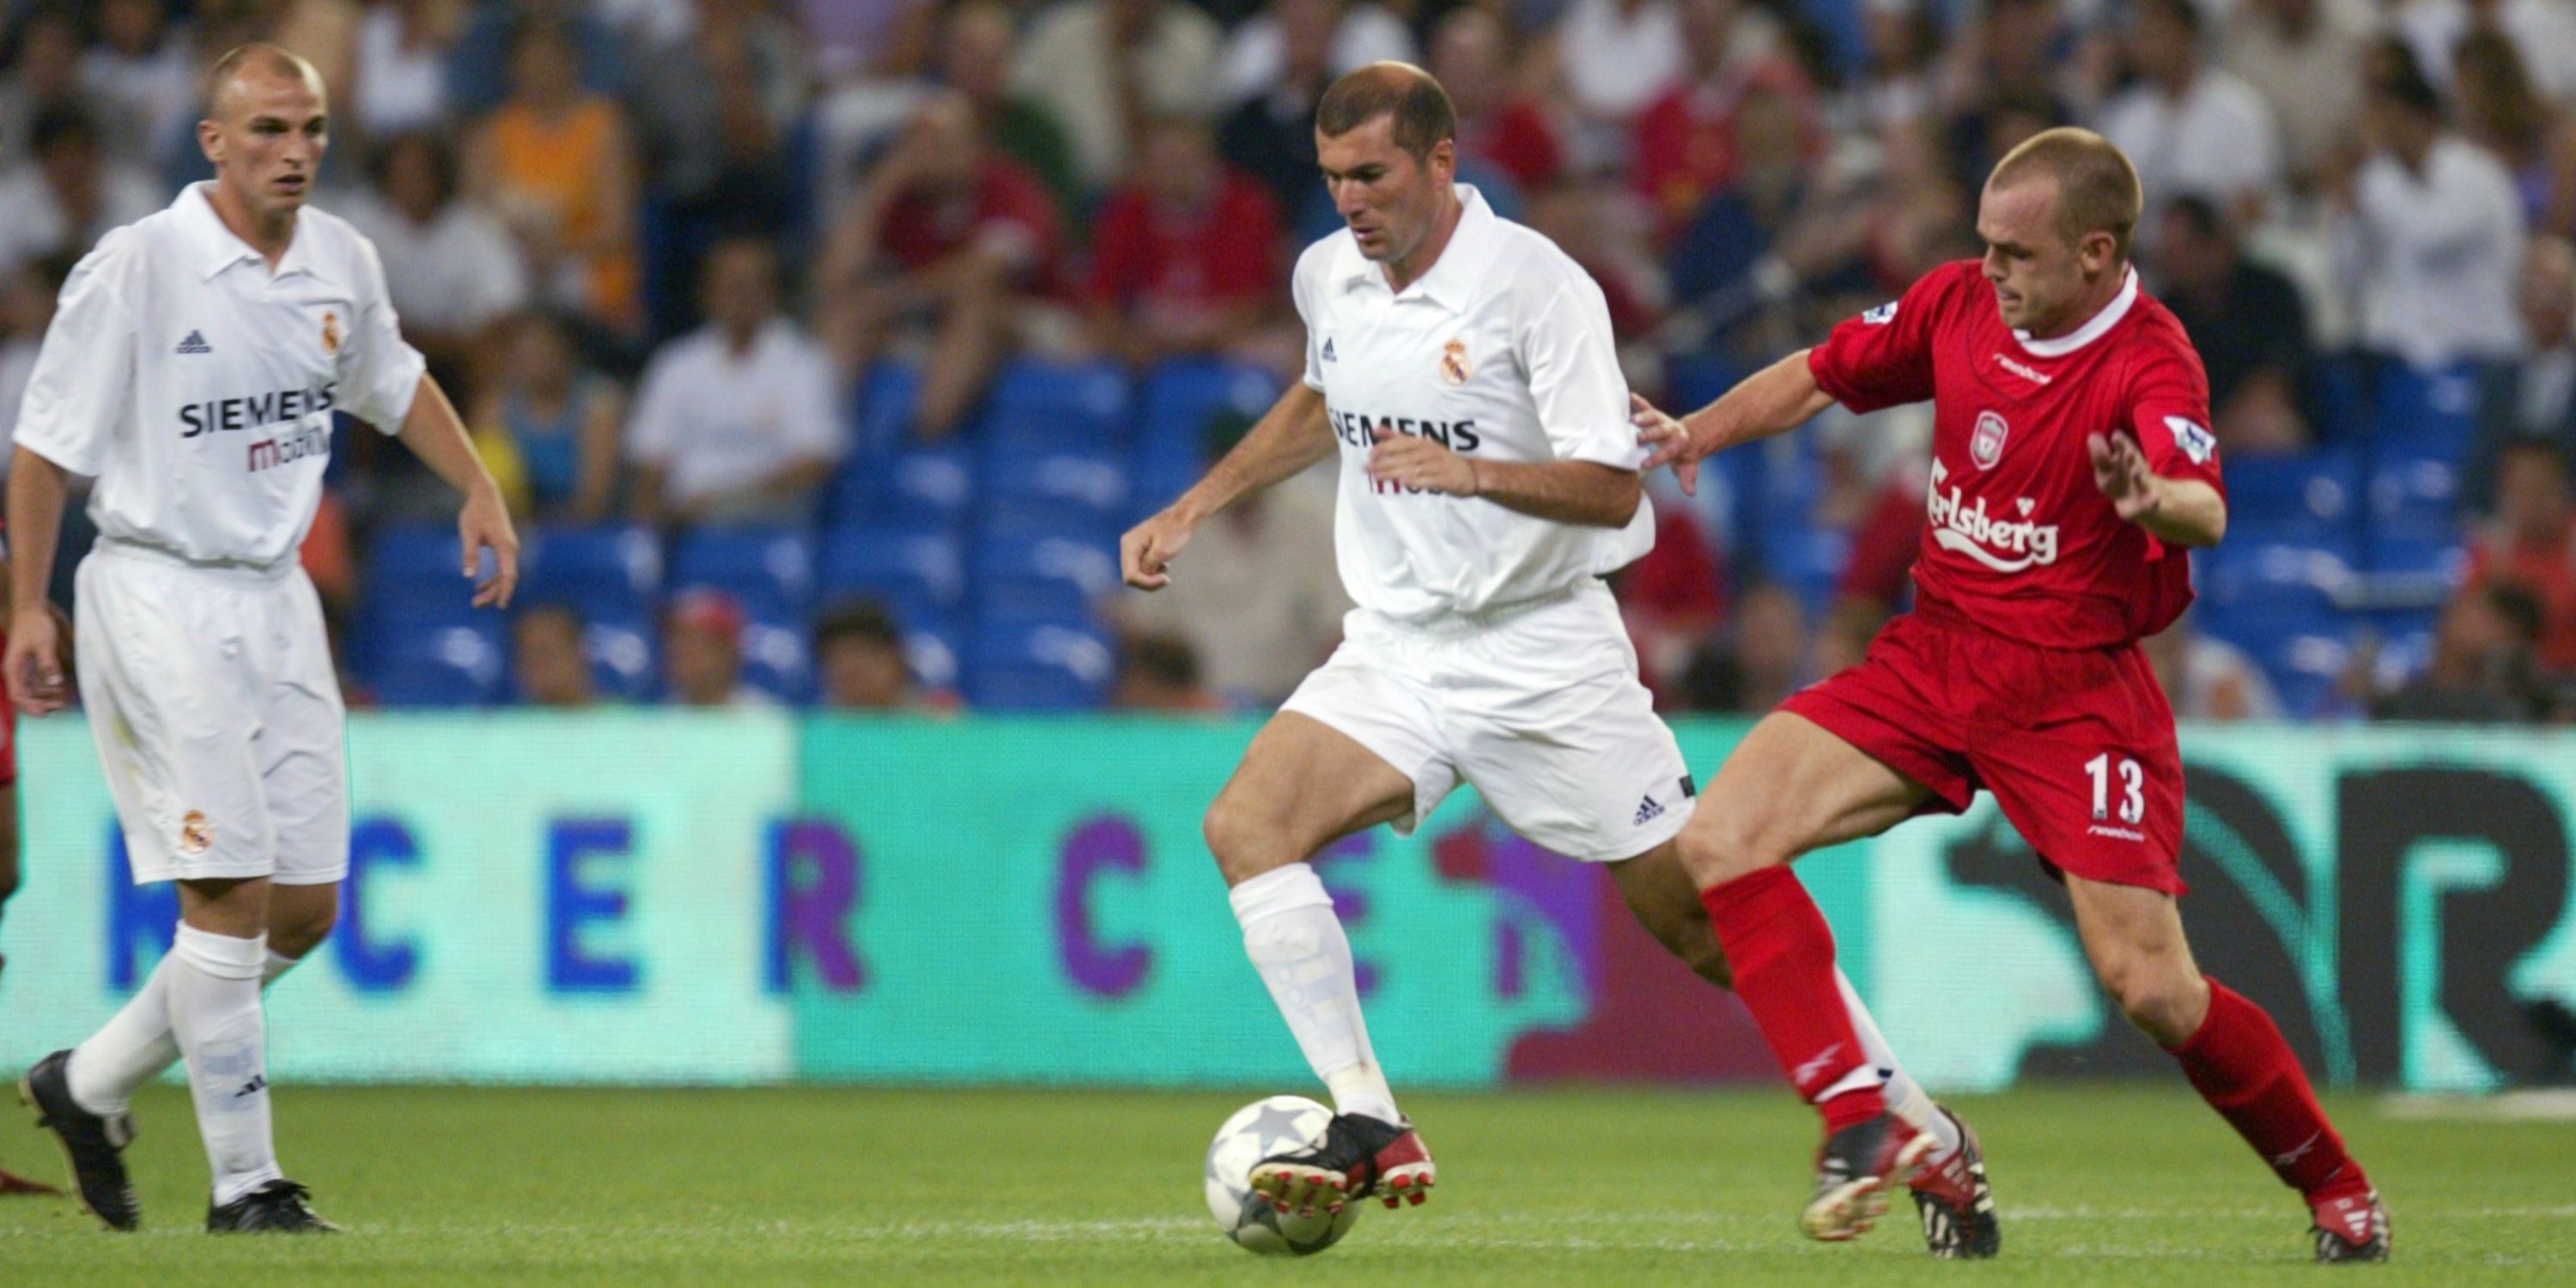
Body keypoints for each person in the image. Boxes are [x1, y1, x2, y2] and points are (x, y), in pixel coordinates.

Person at [1119, 64, 1997, 1257]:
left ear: (1441, 161)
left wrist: (1472, 469)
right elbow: (1321, 395)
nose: (1349, 202)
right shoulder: (1328, 273)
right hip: (1398, 648)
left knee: (1699, 925)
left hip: (1545, 656)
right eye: (1332, 179)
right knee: (1247, 827)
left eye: (1371, 175)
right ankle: (1371, 1121)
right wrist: (1198, 503)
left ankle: (1921, 1130)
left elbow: (1606, 481)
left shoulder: (1539, 289)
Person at [1630, 126, 2388, 1261]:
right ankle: (1871, 1117)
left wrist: (2152, 501)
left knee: (2154, 990)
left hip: (2074, 694)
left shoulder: (2152, 357)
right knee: (1724, 838)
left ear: (2095, 253)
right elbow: (1823, 372)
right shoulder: (1957, 305)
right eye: (1984, 247)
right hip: (1937, 657)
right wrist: (1699, 430)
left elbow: (2208, 510)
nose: (1992, 273)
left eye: (2017, 256)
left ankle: (2339, 1188)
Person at [5, 45, 518, 1234]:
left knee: (305, 911)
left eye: (314, 131)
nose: (296, 153)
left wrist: (477, 489)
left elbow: (393, 381)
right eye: (272, 131)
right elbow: (42, 449)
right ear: (215, 141)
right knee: (229, 890)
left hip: (276, 598)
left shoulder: (343, 260)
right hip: (154, 589)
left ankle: (84, 1086)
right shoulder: (137, 267)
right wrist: (31, 603)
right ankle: (247, 1188)